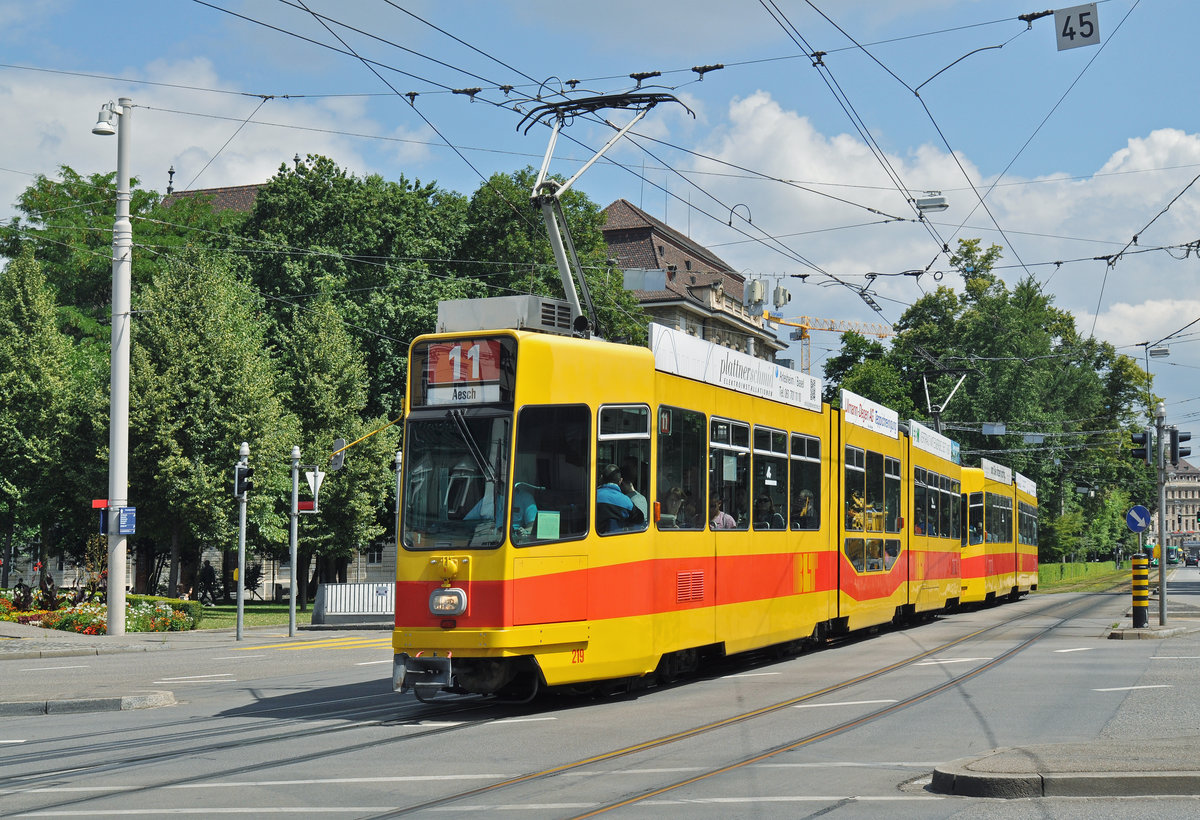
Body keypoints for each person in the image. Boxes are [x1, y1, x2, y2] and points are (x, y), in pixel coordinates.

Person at [597, 464, 641, 532]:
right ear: (620, 481)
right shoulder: (626, 501)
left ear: (601, 478)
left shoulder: (591, 497)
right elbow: (640, 519)